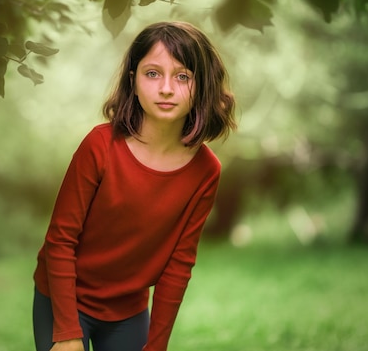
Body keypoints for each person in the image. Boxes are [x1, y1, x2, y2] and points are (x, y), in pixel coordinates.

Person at [32, 21, 237, 351]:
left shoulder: (206, 170)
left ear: (201, 86)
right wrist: (68, 332)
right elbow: (60, 240)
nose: (166, 88)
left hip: (128, 312)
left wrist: (155, 347)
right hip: (64, 298)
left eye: (182, 76)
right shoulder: (100, 145)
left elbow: (177, 267)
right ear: (134, 81)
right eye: (152, 73)